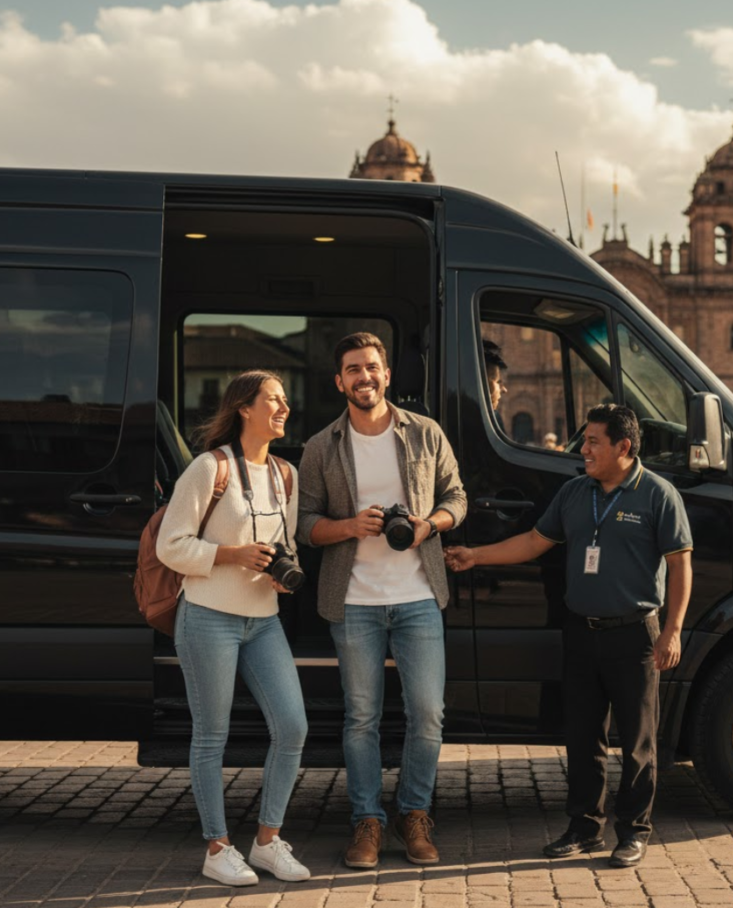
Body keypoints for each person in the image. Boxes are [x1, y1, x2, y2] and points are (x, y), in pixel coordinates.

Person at [445, 404, 692, 868]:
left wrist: (672, 632)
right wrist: (475, 556)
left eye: (594, 441)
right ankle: (584, 829)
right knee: (582, 737)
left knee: (638, 741)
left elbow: (681, 566)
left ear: (624, 446)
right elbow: (534, 543)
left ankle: (634, 832)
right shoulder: (575, 492)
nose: (584, 450)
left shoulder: (659, 495)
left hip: (635, 634)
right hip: (580, 632)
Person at [297, 332, 467, 869]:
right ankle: (366, 823)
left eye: (372, 367)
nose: (363, 377)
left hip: (418, 595)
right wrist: (348, 525)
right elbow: (302, 525)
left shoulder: (425, 433)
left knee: (428, 715)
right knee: (362, 717)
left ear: (387, 374)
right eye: (353, 369)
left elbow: (456, 497)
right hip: (354, 601)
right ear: (339, 381)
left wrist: (428, 526)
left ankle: (414, 814)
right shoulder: (321, 446)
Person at [155, 370, 309, 887]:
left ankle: (267, 842)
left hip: (264, 620)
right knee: (212, 735)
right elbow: (170, 546)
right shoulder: (209, 468)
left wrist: (282, 576)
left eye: (285, 400)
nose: (284, 408)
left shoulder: (286, 475)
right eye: (273, 400)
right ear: (245, 407)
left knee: (292, 727)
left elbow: (282, 546)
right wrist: (230, 554)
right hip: (207, 616)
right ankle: (217, 848)